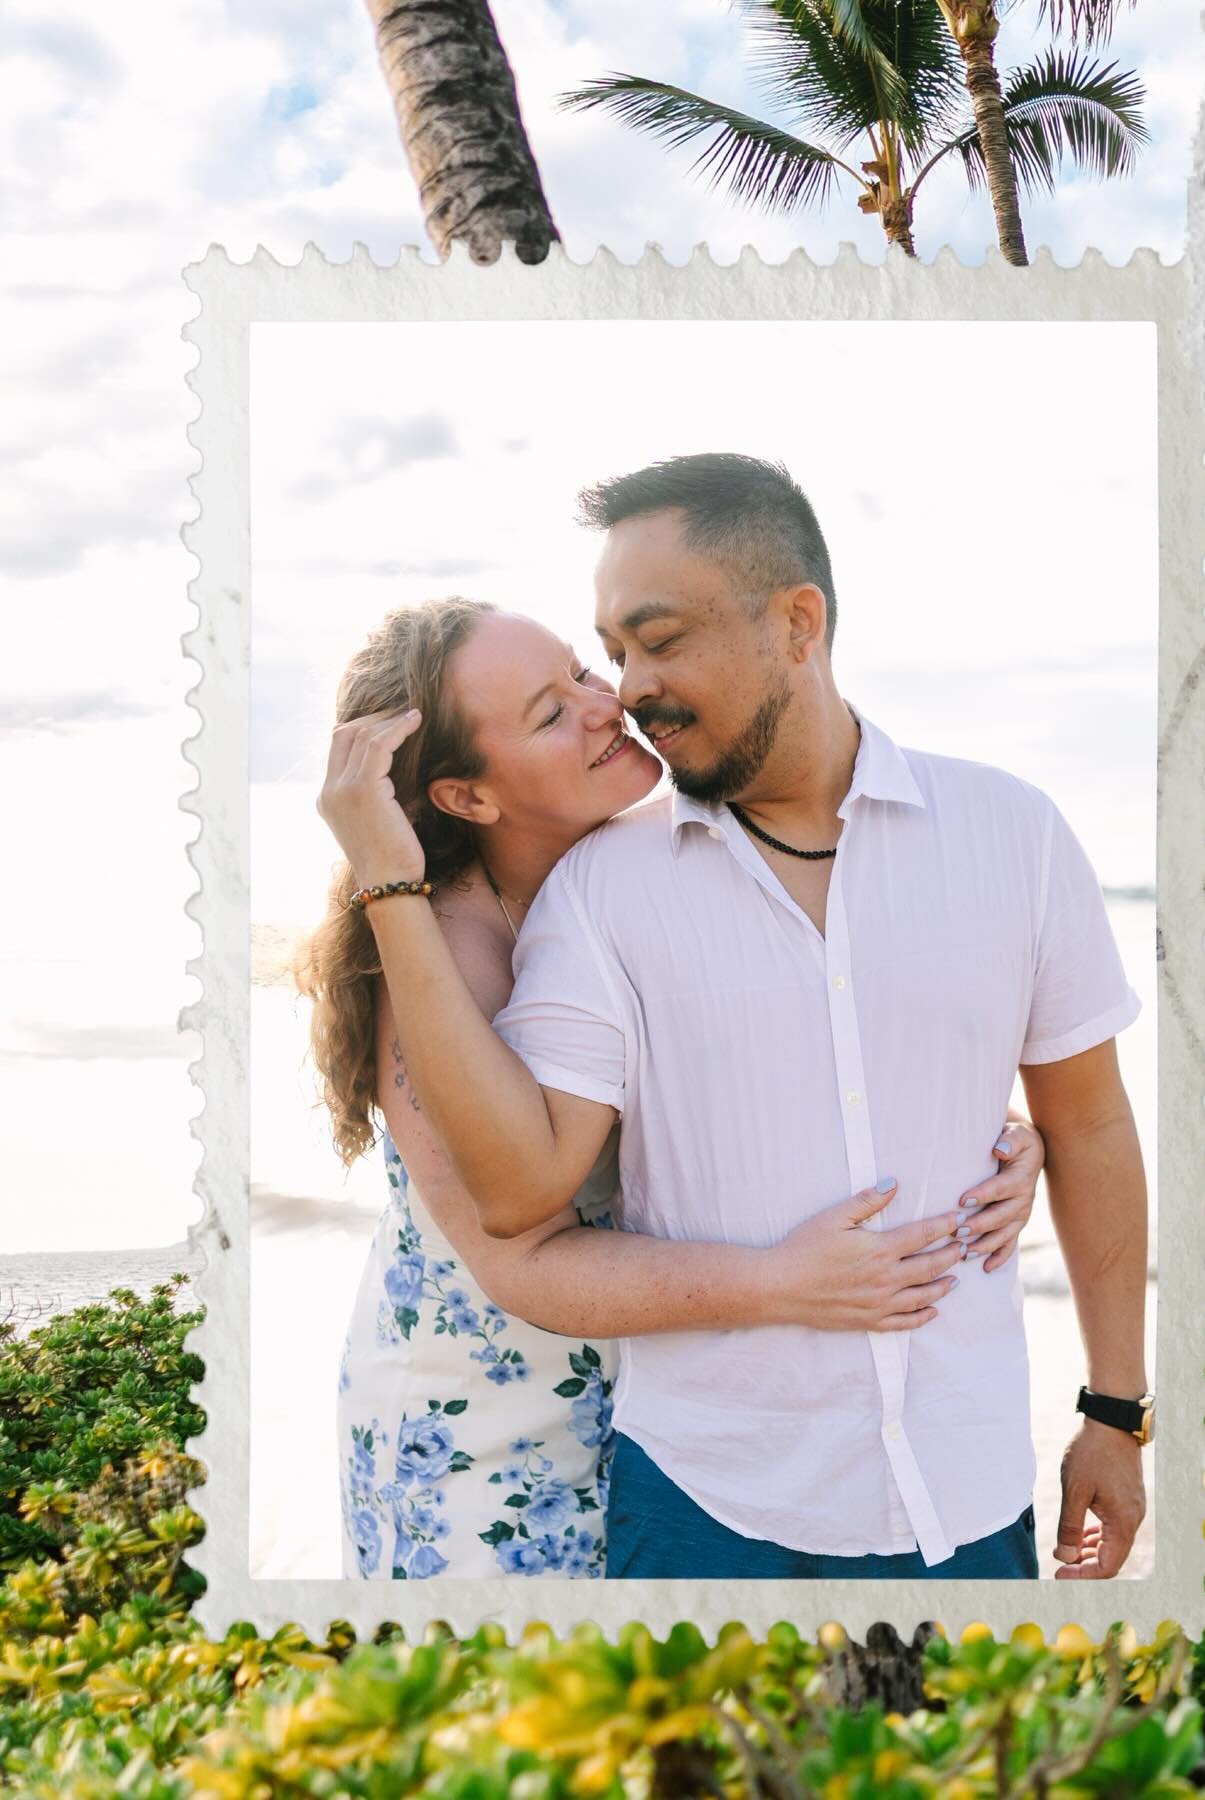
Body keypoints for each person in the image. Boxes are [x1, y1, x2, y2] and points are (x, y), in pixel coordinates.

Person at [319, 453, 1153, 1582]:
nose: (620, 696)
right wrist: (782, 1282)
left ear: (798, 624)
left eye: (622, 656)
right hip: (502, 1434)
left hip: (816, 1438)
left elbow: (998, 1093)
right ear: (468, 796)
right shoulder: (489, 931)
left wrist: (1000, 1133)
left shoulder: (1005, 830)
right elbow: (519, 1216)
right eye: (590, 673)